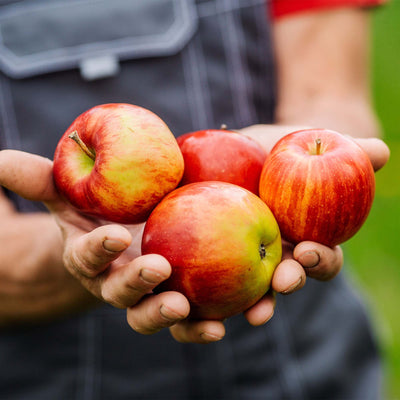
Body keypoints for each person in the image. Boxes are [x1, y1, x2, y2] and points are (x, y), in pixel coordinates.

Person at [0, 0, 390, 398]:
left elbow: (330, 97)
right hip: (50, 378)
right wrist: (92, 253)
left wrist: (315, 181)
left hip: (303, 356)